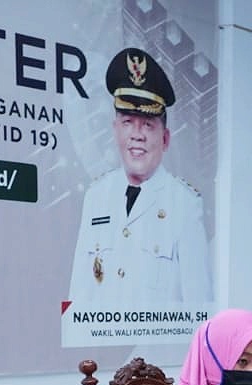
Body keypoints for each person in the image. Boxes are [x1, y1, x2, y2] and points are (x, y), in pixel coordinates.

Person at [67, 47, 212, 306]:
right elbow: (79, 294)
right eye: (128, 123)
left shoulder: (185, 204)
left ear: (165, 139)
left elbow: (198, 306)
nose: (137, 135)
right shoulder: (96, 196)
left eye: (147, 124)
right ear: (115, 131)